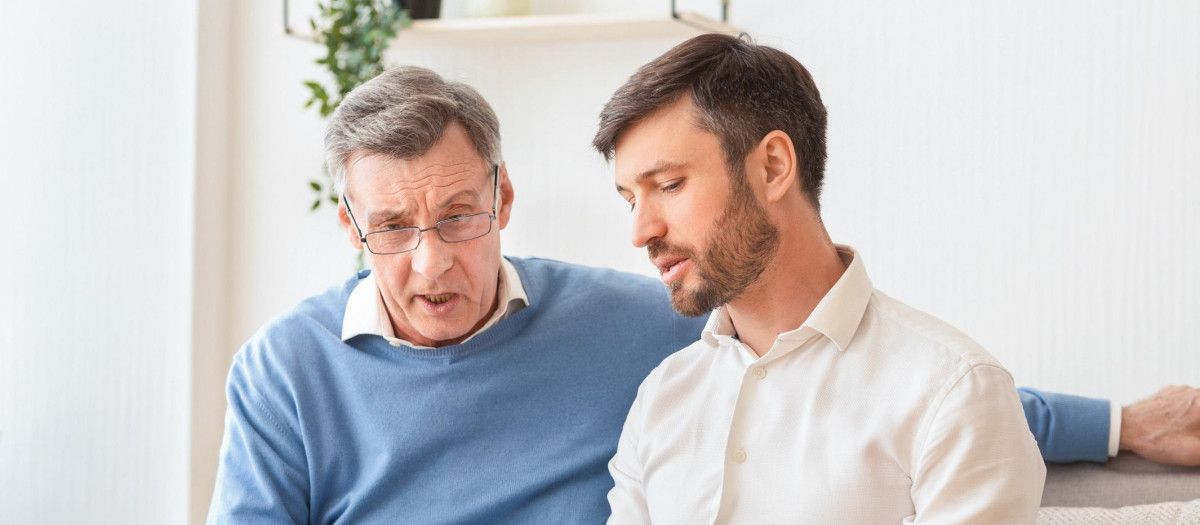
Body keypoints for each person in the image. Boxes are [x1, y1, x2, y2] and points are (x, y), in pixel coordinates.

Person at [206, 65, 1200, 524]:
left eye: (459, 217)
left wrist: (1116, 422)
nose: (431, 265)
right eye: (392, 230)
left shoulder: (640, 325)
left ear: (504, 199)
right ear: (352, 230)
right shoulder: (284, 372)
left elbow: (865, 385)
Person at [589, 33, 1190, 524]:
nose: (641, 231)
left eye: (668, 186)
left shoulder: (955, 393)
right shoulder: (662, 398)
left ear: (773, 166)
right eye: (629, 199)